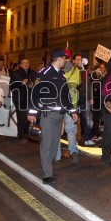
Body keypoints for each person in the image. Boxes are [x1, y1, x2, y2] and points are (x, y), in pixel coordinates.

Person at [28, 48, 78, 184]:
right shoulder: (44, 74)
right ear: (60, 59)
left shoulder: (62, 76)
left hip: (59, 116)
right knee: (47, 144)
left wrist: (72, 111)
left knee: (55, 145)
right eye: (65, 59)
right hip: (47, 115)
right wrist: (32, 113)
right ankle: (47, 174)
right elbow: (34, 94)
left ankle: (47, 166)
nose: (65, 62)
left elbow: (66, 97)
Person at [55, 52, 81, 163]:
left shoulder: (57, 71)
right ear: (71, 59)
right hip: (72, 103)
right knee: (70, 130)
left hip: (58, 104)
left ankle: (56, 155)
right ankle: (73, 151)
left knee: (56, 131)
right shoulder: (76, 70)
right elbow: (79, 83)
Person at [9, 58, 37, 144]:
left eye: (27, 62)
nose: (26, 64)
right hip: (20, 99)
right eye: (24, 63)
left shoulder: (33, 73)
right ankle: (21, 136)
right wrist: (21, 83)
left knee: (31, 117)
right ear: (20, 65)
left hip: (31, 99)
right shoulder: (15, 74)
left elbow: (37, 84)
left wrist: (34, 85)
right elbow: (12, 86)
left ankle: (29, 134)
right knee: (21, 118)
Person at [90, 62, 106, 141]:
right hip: (95, 101)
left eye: (102, 68)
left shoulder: (103, 78)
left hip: (100, 101)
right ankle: (95, 134)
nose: (101, 70)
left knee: (98, 118)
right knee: (96, 118)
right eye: (99, 69)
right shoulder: (94, 80)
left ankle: (95, 133)